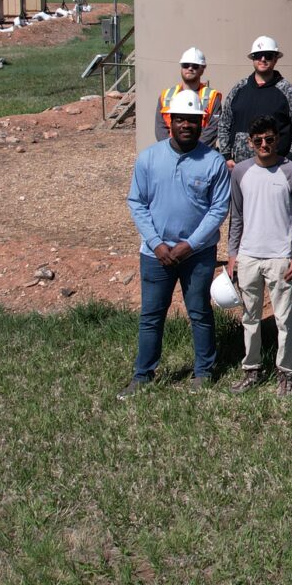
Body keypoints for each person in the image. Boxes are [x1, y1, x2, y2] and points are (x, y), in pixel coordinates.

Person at [120, 89, 233, 398]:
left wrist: (190, 245)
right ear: (169, 120)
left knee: (199, 311)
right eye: (180, 119)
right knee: (152, 315)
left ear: (202, 122)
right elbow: (137, 203)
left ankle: (203, 371)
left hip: (197, 255)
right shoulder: (149, 158)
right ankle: (143, 374)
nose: (186, 125)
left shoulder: (213, 162)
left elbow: (219, 208)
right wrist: (156, 244)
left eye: (193, 120)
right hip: (155, 254)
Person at [225, 116, 292, 393]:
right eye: (258, 140)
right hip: (249, 256)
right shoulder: (241, 172)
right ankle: (252, 369)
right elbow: (236, 215)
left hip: (280, 257)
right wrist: (233, 255)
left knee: (284, 319)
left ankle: (286, 372)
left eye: (269, 139)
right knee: (249, 317)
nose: (264, 144)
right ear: (250, 143)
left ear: (277, 140)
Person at [220, 36, 292, 164]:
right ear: (252, 59)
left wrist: (291, 157)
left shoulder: (287, 90)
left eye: (268, 55)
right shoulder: (239, 88)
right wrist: (226, 155)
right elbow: (224, 123)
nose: (263, 59)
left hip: (276, 168)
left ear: (275, 59)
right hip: (240, 167)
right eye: (258, 55)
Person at [155, 46, 222, 143]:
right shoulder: (166, 96)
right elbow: (160, 128)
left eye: (195, 66)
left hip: (201, 153)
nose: (190, 68)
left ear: (203, 69)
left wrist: (194, 150)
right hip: (171, 152)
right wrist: (172, 149)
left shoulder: (212, 97)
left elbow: (213, 128)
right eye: (186, 65)